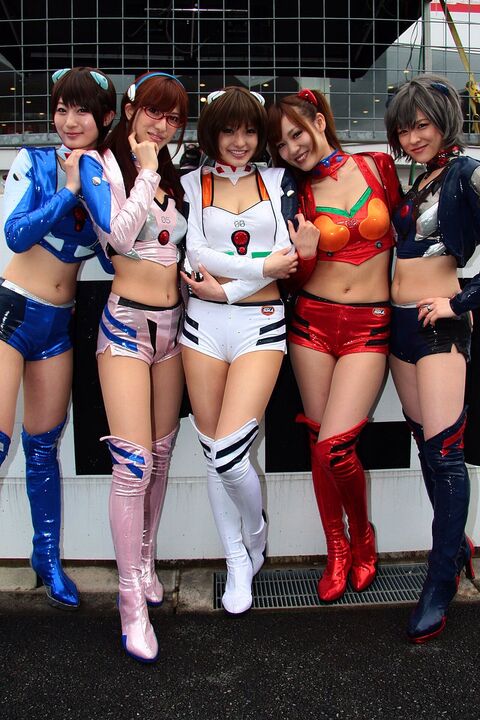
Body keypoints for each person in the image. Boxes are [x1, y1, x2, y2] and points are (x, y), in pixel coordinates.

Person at [267, 88, 401, 603]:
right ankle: (337, 549)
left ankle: (362, 535)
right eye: (281, 145)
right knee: (318, 442)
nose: (292, 149)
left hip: (370, 324)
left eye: (296, 134)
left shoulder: (378, 167)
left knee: (336, 447)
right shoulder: (294, 192)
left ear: (319, 121)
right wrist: (303, 255)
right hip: (312, 324)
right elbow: (293, 276)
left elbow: (411, 238)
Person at [79, 71, 188, 663]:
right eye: (154, 112)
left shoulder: (173, 172)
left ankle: (145, 561)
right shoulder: (101, 164)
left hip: (174, 328)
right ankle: (130, 604)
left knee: (163, 454)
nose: (162, 126)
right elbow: (119, 238)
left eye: (173, 118)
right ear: (130, 109)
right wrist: (145, 168)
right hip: (124, 327)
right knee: (134, 464)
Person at [1, 67, 116, 610]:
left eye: (82, 110)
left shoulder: (107, 175)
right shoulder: (36, 161)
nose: (69, 121)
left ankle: (45, 557)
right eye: (62, 108)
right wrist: (69, 188)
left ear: (105, 118)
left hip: (57, 327)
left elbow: (115, 258)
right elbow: (16, 234)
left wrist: (102, 194)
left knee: (43, 448)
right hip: (12, 313)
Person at [180, 86, 298, 615]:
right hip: (201, 328)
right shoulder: (191, 182)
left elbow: (287, 257)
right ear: (212, 133)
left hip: (261, 324)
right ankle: (236, 559)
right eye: (229, 129)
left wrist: (229, 289)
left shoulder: (279, 181)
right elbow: (196, 252)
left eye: (250, 130)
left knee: (231, 454)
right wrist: (262, 267)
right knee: (213, 454)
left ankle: (255, 531)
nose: (240, 140)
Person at [384, 74, 477, 643]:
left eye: (421, 125)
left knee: (445, 455)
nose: (412, 137)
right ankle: (456, 547)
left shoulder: (467, 173)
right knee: (426, 448)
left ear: (444, 121)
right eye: (404, 128)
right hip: (400, 326)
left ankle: (440, 583)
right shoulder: (420, 179)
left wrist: (459, 302)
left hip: (439, 327)